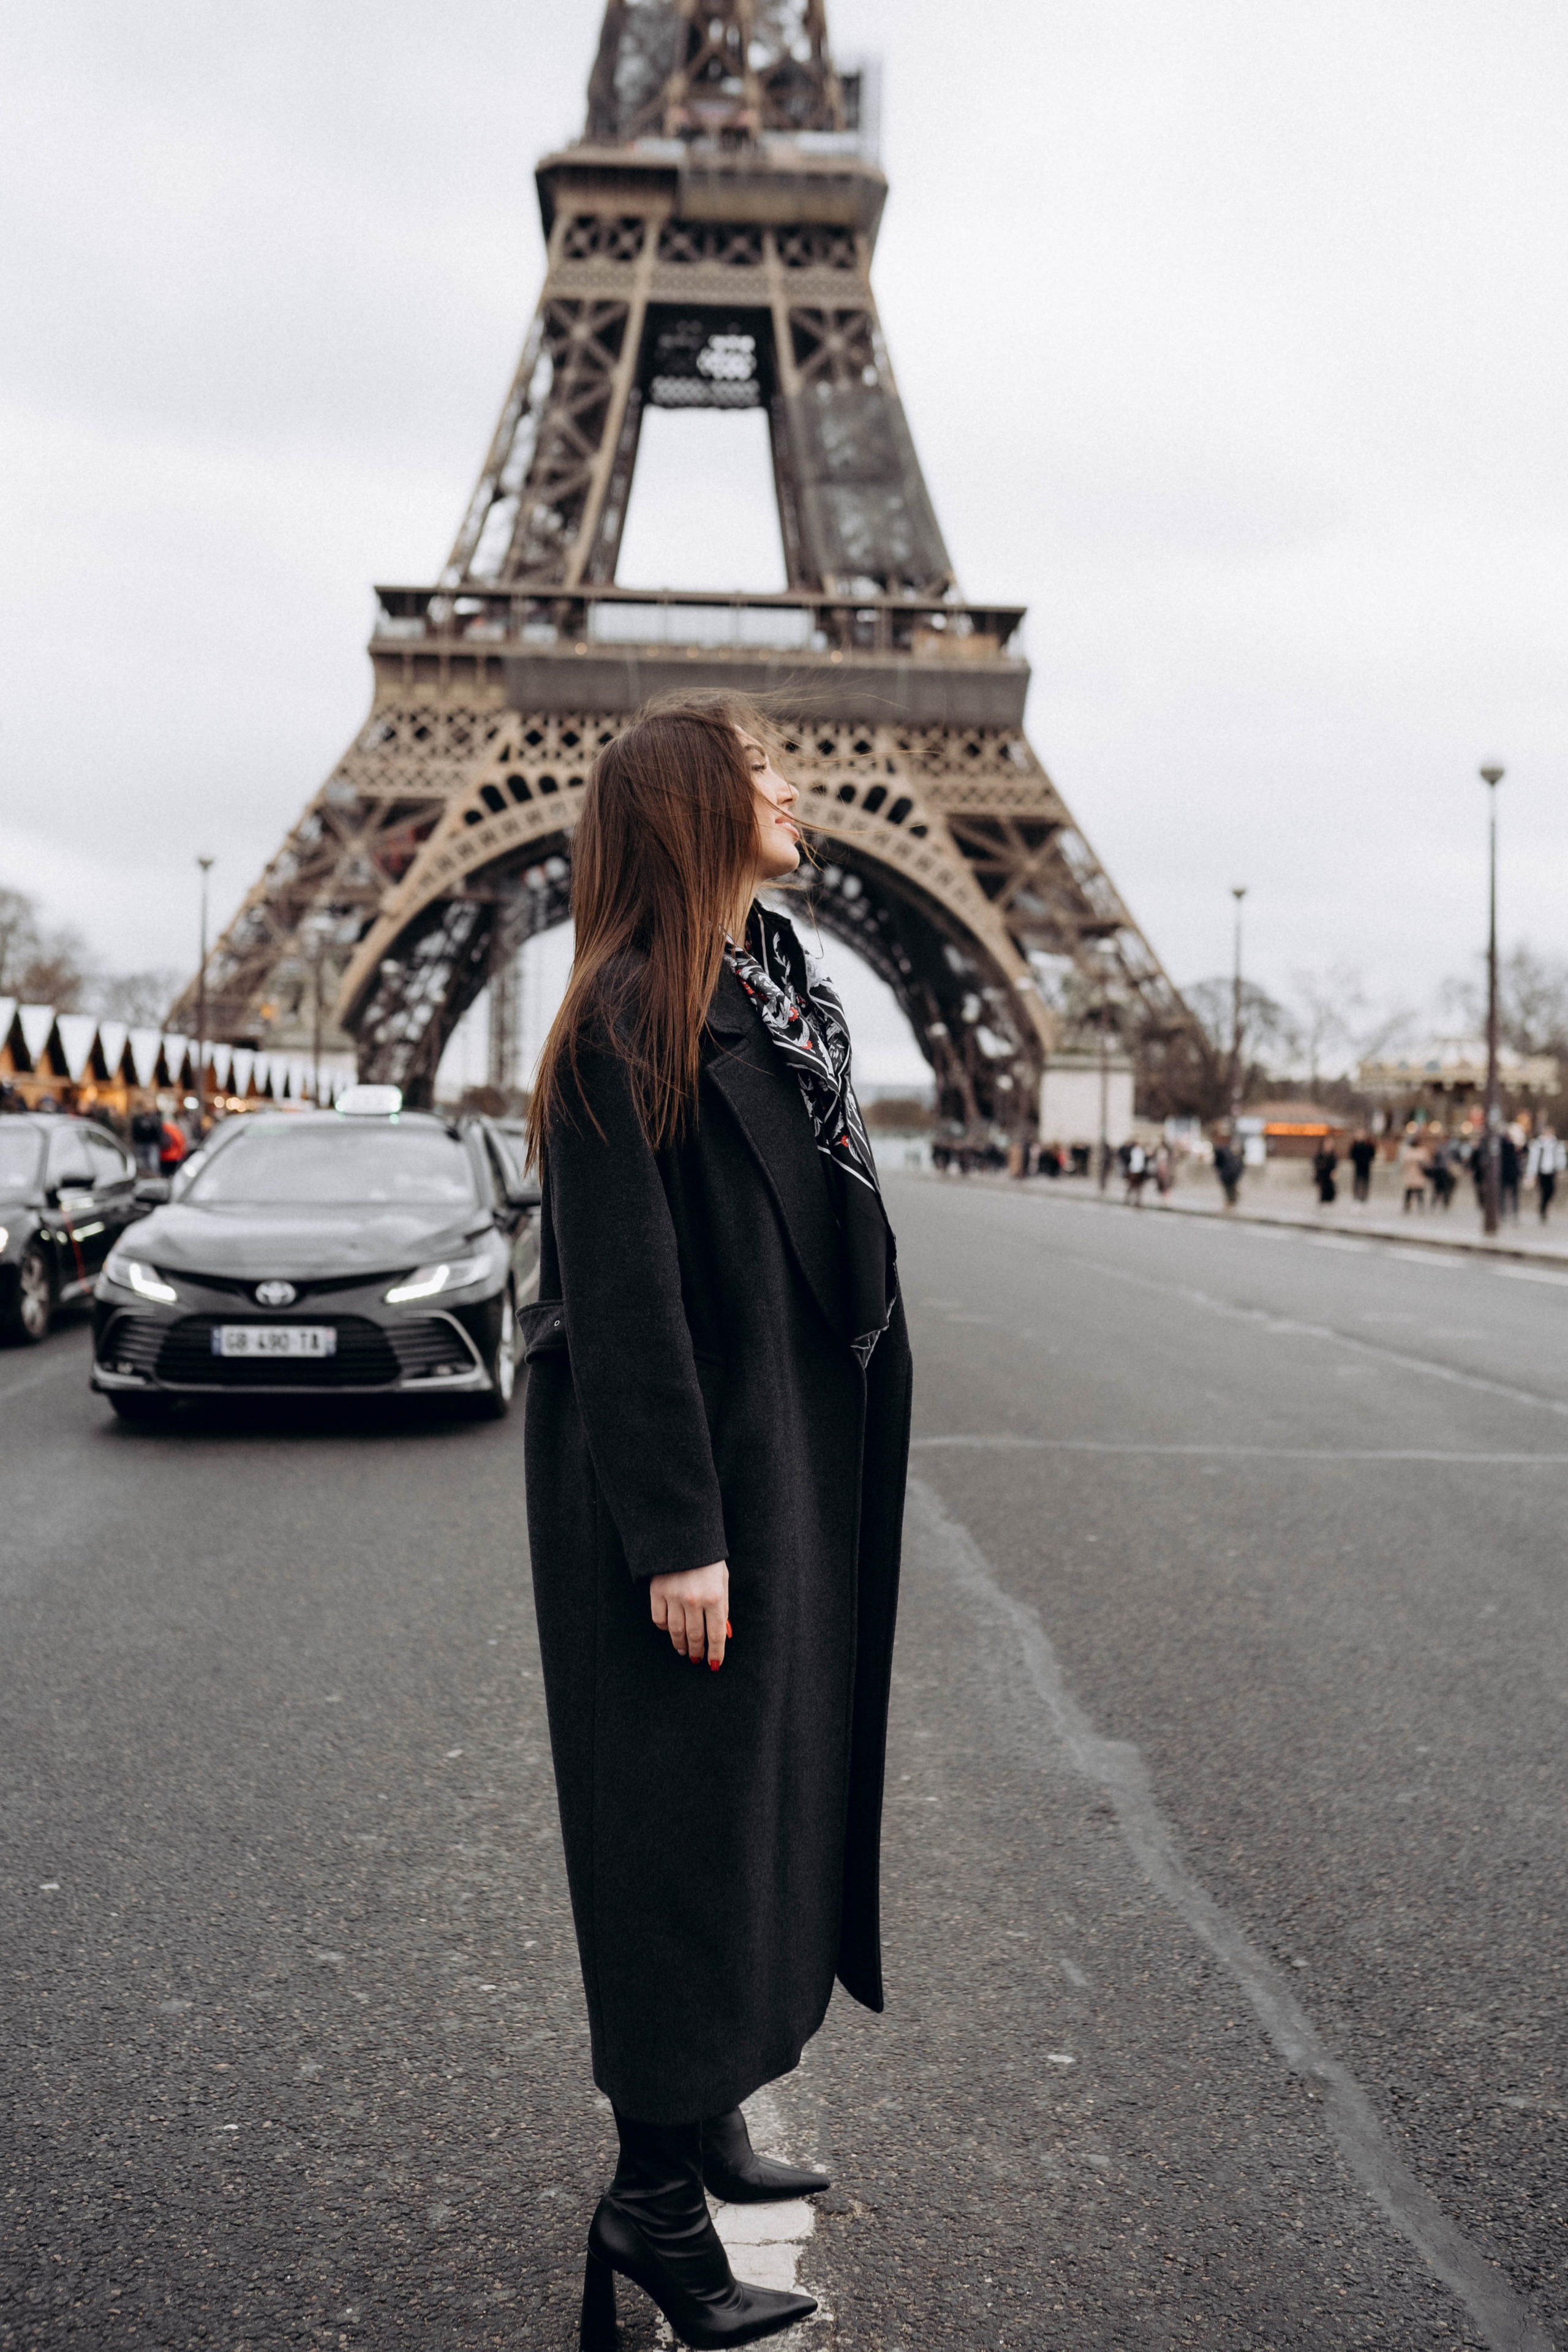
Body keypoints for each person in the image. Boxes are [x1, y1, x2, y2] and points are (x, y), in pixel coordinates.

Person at [522, 698, 911, 2352]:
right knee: (678, 1818)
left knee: (758, 1790)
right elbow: (619, 1302)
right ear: (689, 808)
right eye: (759, 768)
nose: (794, 783)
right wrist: (677, 1531)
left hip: (781, 1458)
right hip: (684, 1479)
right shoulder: (624, 1011)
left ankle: (701, 2117)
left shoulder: (777, 992)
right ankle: (651, 2202)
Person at [1400, 1133, 1428, 1213]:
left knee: (1417, 1191)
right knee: (1412, 1191)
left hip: (1417, 1174)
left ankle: (1419, 1205)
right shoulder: (1417, 1151)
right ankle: (1409, 1205)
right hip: (1413, 1175)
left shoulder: (1416, 1151)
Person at [1213, 1134, 1243, 1208]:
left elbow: (1217, 1163)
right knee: (1231, 1188)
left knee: (1228, 1189)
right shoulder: (1231, 1150)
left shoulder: (1221, 1151)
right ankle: (1231, 1202)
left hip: (1227, 1173)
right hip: (1233, 1173)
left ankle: (1230, 1203)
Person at [1349, 1131, 1376, 1204]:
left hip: (1366, 1168)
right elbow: (1352, 1155)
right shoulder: (1355, 1145)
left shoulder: (1368, 1145)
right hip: (1358, 1168)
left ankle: (1363, 1199)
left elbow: (1372, 1154)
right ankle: (1356, 1199)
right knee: (1357, 1183)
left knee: (1365, 1184)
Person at [1312, 1140, 1338, 1204]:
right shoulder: (1319, 1156)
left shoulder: (1333, 1157)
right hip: (1321, 1180)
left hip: (1329, 1181)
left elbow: (1334, 1168)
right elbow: (1317, 1166)